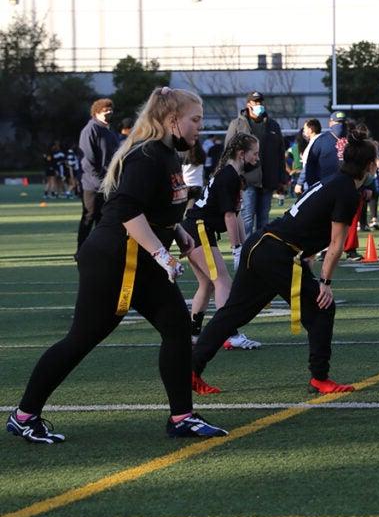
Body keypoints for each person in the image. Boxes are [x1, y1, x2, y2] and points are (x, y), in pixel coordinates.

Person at [7, 86, 228, 443]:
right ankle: (24, 415)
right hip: (114, 260)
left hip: (140, 259)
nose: (199, 128)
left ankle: (182, 417)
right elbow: (127, 211)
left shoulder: (169, 154)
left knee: (176, 327)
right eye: (195, 120)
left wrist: (179, 237)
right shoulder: (148, 155)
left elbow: (160, 210)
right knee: (81, 339)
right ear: (173, 120)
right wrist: (161, 253)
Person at [190, 131, 379, 396]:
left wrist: (309, 263)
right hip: (274, 252)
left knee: (233, 313)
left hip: (262, 245)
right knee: (322, 308)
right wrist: (325, 282)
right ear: (370, 164)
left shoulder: (336, 182)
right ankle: (320, 378)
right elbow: (337, 245)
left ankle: (191, 368)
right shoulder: (347, 191)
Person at [182, 132, 262, 350]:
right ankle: (231, 334)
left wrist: (244, 246)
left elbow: (236, 216)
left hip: (195, 229)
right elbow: (228, 216)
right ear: (241, 153)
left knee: (207, 284)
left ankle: (193, 334)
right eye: (254, 153)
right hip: (199, 229)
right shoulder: (230, 176)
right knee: (222, 282)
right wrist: (236, 248)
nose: (257, 157)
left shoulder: (232, 174)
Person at [226, 91, 287, 238]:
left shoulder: (273, 125)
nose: (259, 105)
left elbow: (280, 153)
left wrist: (282, 179)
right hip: (246, 179)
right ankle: (245, 251)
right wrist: (233, 177)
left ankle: (260, 251)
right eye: (255, 102)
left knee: (264, 220)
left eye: (260, 102)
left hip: (268, 178)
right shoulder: (237, 124)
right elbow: (228, 152)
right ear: (248, 105)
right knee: (247, 217)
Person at [77, 98, 120, 251]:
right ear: (96, 112)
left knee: (104, 219)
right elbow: (88, 161)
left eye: (110, 110)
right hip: (92, 184)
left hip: (108, 183)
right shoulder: (90, 130)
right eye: (105, 110)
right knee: (89, 217)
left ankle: (100, 250)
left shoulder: (109, 130)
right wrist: (99, 180)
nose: (109, 112)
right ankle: (81, 250)